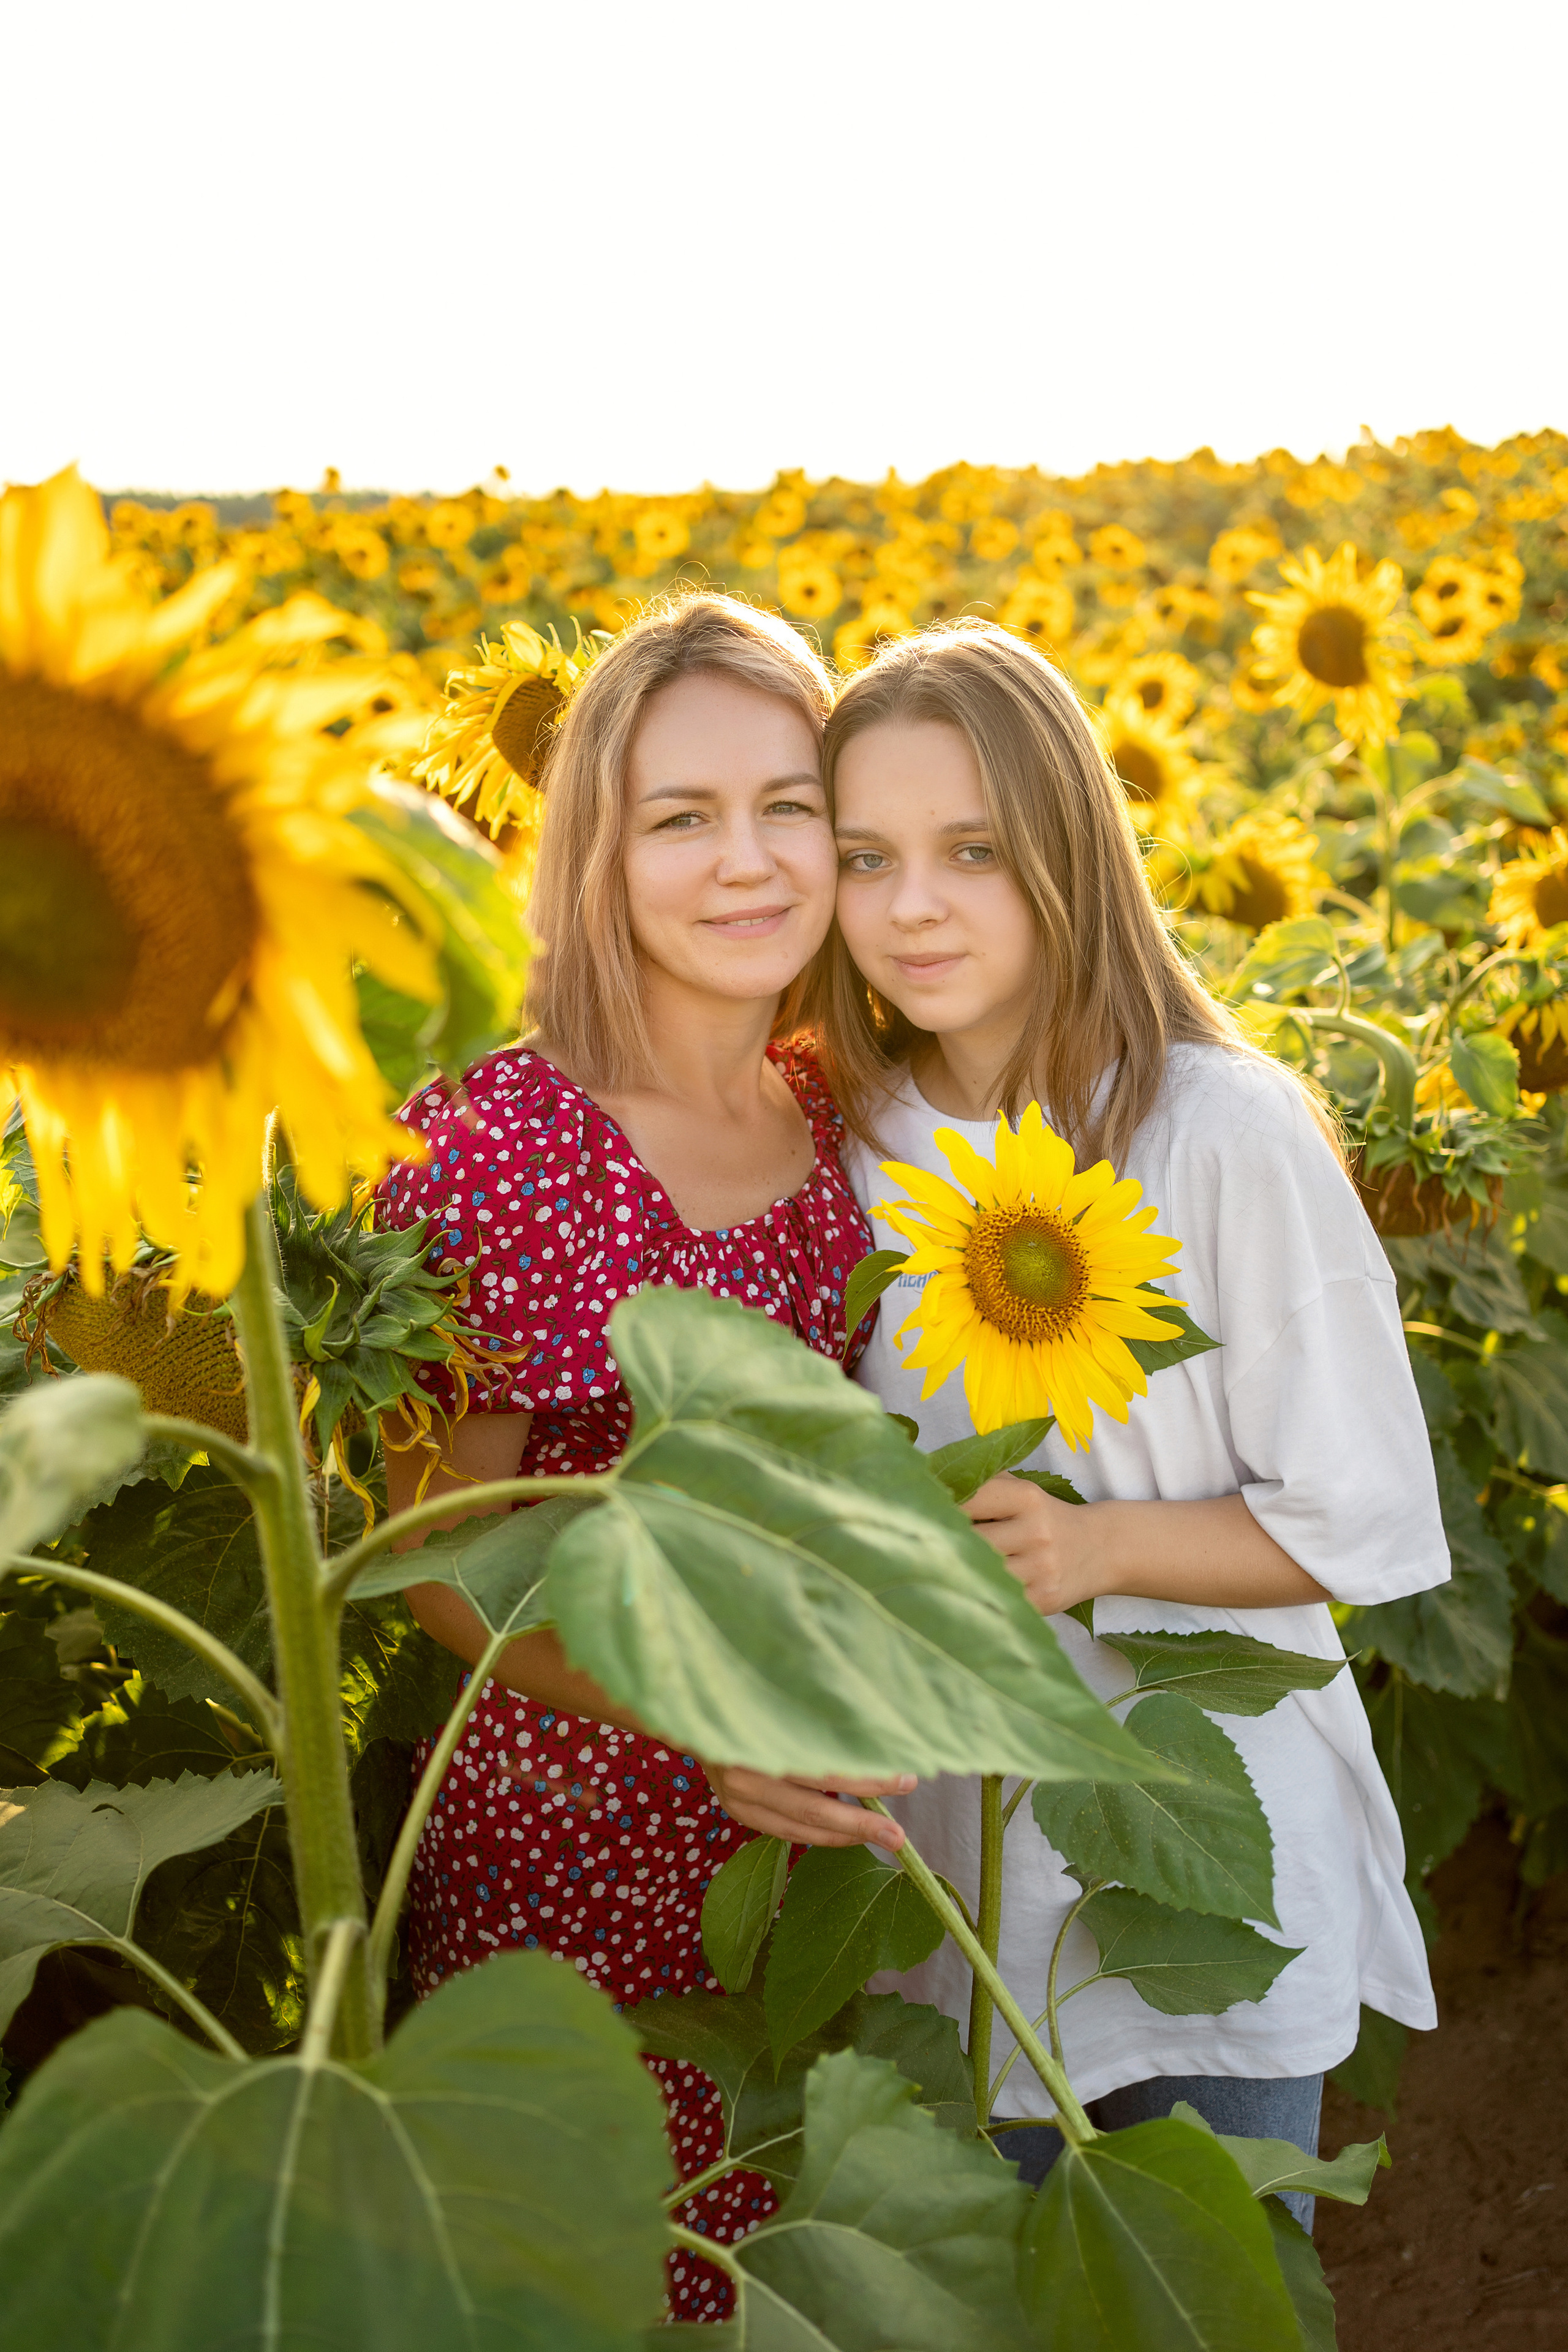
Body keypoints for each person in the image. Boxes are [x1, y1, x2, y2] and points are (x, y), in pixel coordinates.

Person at [808, 617, 1445, 2231]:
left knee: (1213, 2275)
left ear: (1070, 848)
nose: (914, 905)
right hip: (961, 1865)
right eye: (867, 857)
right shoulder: (848, 1139)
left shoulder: (1217, 1128)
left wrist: (1097, 1544)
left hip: (1195, 1821)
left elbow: (1364, 1508)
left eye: (972, 849)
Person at [375, 592, 907, 2322]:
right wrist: (701, 1712)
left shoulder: (826, 1104)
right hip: (572, 1825)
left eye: (787, 806)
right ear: (597, 849)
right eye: (682, 817)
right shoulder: (495, 1138)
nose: (746, 861)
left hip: (794, 1837)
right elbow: (433, 1552)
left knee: (785, 2258)